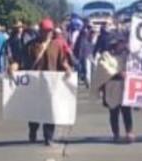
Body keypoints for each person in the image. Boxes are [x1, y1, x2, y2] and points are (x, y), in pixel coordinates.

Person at [7, 18, 73, 146]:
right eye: (44, 30)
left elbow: (63, 61)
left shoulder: (57, 45)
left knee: (51, 111)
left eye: (49, 30)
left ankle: (48, 137)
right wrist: (14, 66)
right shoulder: (31, 45)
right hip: (34, 83)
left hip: (52, 84)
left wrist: (67, 68)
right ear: (40, 31)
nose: (47, 33)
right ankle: (33, 130)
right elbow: (20, 59)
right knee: (35, 111)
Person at [96, 31, 135, 143]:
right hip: (112, 87)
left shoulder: (126, 55)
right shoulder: (106, 56)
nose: (122, 45)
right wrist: (118, 74)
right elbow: (104, 70)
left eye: (123, 42)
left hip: (124, 87)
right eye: (120, 43)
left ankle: (129, 132)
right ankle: (116, 134)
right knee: (114, 112)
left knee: (127, 111)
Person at [73, 22, 95, 89]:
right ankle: (87, 82)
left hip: (87, 54)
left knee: (87, 69)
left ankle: (87, 82)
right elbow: (80, 47)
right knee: (86, 70)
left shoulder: (86, 36)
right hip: (85, 55)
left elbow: (89, 45)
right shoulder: (83, 36)